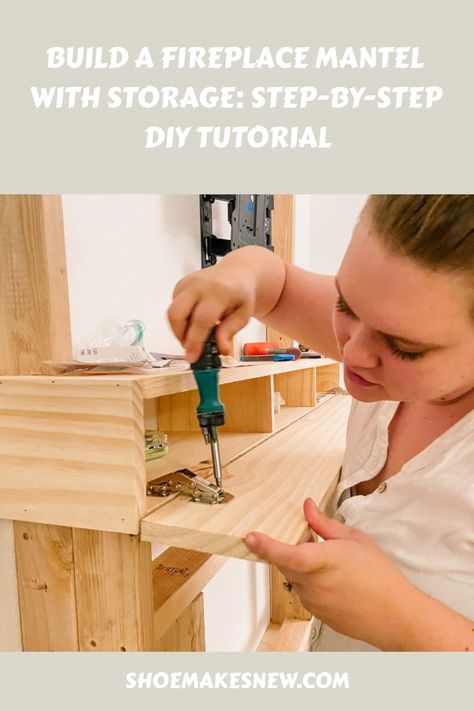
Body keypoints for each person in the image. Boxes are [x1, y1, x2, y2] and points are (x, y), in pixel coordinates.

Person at [167, 195, 474, 651]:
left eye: (404, 346)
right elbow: (279, 285)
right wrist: (241, 274)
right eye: (346, 305)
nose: (351, 352)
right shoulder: (393, 323)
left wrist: (405, 622)